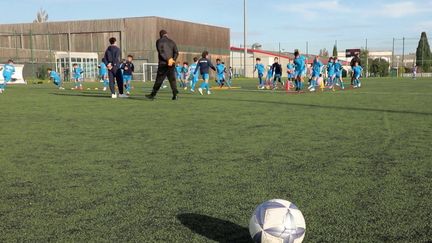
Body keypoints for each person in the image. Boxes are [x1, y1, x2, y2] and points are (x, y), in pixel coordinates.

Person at [146, 30, 179, 100]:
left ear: (160, 35)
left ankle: (152, 94)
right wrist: (173, 60)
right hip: (171, 64)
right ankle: (175, 94)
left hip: (163, 64)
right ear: (166, 34)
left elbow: (161, 52)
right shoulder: (172, 42)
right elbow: (176, 52)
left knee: (159, 80)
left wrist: (167, 60)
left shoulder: (159, 41)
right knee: (172, 79)